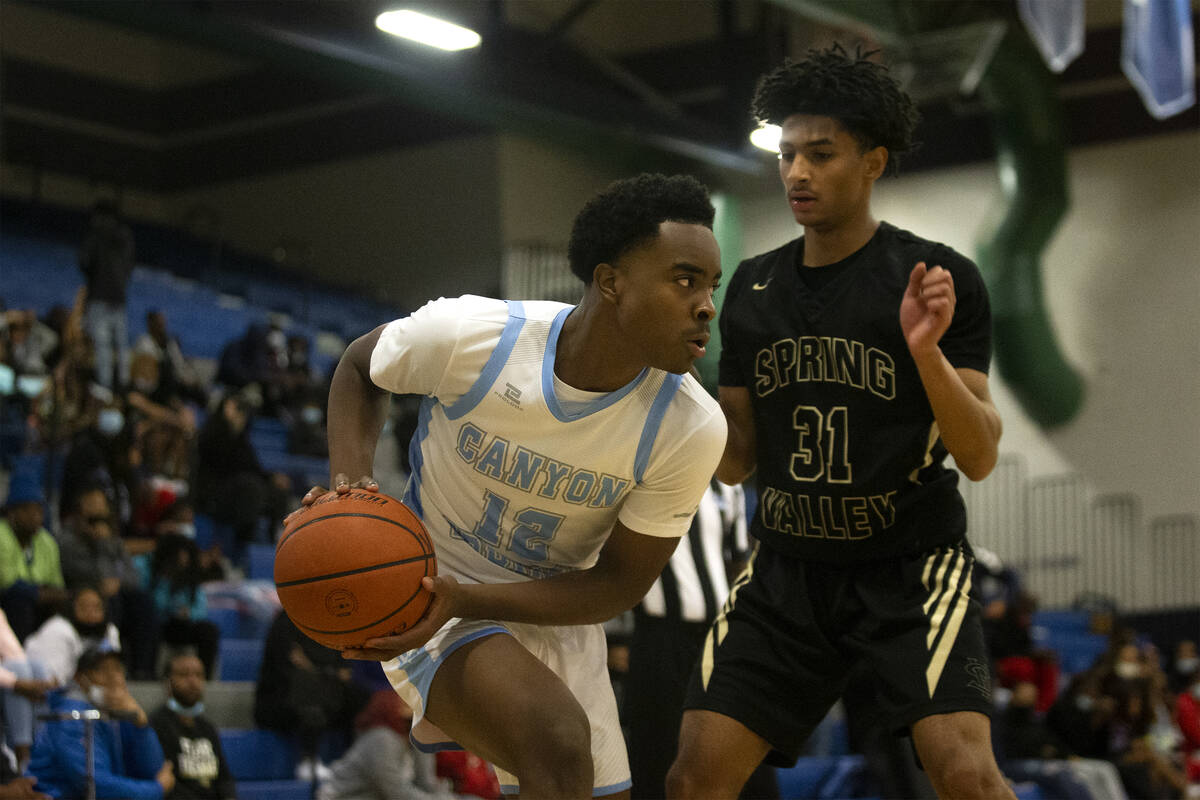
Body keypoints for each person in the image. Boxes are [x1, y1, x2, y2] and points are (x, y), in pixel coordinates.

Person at [296, 172, 726, 799]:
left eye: (712, 285)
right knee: (555, 739)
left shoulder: (689, 425)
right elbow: (362, 366)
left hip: (552, 612)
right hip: (424, 590)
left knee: (572, 769)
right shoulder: (477, 337)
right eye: (685, 280)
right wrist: (349, 494)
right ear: (610, 282)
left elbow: (617, 585)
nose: (707, 304)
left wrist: (471, 599)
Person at [665, 47, 1011, 800]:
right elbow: (734, 463)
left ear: (873, 162)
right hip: (789, 572)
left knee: (968, 779)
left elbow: (979, 454)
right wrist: (670, 380)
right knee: (693, 778)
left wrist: (925, 353)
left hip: (911, 567)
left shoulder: (935, 276)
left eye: (820, 155)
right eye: (788, 154)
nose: (796, 173)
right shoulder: (752, 288)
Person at [623, 480, 775, 800]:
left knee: (743, 753)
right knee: (657, 754)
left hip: (720, 636)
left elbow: (737, 561)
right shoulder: (639, 469)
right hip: (659, 635)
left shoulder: (726, 483)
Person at [28, 645, 175, 800]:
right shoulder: (71, 717)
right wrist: (155, 790)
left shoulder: (116, 713)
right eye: (102, 670)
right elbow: (96, 787)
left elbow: (153, 771)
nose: (114, 678)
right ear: (80, 679)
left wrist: (141, 725)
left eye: (117, 669)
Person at [253, 610, 370, 782]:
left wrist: (313, 668)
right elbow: (289, 672)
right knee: (308, 689)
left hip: (328, 697)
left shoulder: (334, 623)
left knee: (359, 696)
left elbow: (346, 671)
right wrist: (329, 673)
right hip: (280, 700)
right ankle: (308, 759)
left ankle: (353, 759)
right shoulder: (286, 621)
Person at [57, 486, 157, 679]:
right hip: (78, 598)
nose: (98, 525)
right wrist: (101, 546)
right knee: (110, 600)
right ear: (78, 517)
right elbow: (86, 574)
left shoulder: (112, 541)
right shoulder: (67, 542)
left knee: (142, 601)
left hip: (113, 594)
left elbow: (132, 577)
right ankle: (105, 665)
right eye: (91, 519)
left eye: (102, 518)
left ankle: (143, 671)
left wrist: (115, 579)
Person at [316, 689, 460, 800]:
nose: (415, 708)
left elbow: (426, 783)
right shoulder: (383, 738)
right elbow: (395, 792)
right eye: (405, 703)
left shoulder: (409, 738)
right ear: (389, 706)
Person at [148, 653, 236, 800]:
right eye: (184, 674)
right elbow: (166, 783)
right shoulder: (157, 725)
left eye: (198, 675)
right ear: (167, 683)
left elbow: (224, 778)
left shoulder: (207, 728)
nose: (193, 681)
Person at [0, 475, 67, 642]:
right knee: (20, 600)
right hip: (8, 601)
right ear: (11, 513)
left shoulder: (47, 541)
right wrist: (37, 592)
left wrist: (46, 593)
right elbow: (7, 583)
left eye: (39, 511)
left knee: (64, 604)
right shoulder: (1, 534)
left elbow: (57, 585)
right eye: (27, 510)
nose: (35, 517)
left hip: (39, 600)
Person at [79, 199, 135, 390]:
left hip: (99, 296)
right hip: (118, 296)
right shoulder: (125, 236)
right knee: (120, 343)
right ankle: (123, 384)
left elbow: (85, 262)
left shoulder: (96, 234)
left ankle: (105, 386)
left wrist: (95, 279)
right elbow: (129, 267)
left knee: (102, 344)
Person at [24, 585, 122, 686]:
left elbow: (113, 671)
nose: (90, 612)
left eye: (96, 607)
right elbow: (51, 680)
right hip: (55, 691)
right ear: (71, 607)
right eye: (84, 606)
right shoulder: (57, 629)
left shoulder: (109, 630)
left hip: (90, 689)